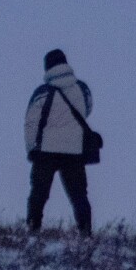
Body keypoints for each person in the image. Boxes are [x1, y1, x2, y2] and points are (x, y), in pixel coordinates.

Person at [25, 48, 94, 235]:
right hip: (74, 152)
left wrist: (32, 148)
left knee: (39, 194)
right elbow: (86, 110)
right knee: (79, 195)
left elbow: (31, 122)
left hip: (46, 152)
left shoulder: (42, 92)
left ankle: (33, 229)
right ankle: (86, 233)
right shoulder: (82, 89)